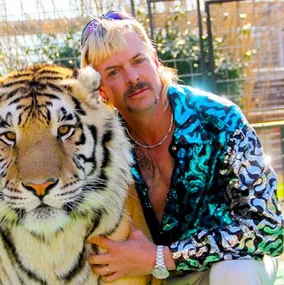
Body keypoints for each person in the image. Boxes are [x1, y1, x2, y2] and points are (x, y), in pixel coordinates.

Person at [80, 10, 284, 285]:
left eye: (138, 61)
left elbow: (270, 229)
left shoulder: (220, 119)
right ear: (101, 90)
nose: (132, 77)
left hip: (221, 267)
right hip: (147, 276)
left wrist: (162, 257)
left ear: (154, 61)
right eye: (114, 72)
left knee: (236, 274)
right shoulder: (100, 146)